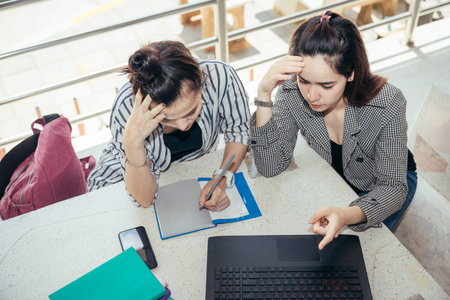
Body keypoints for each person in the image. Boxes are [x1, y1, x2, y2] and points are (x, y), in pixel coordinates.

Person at [248, 11, 417, 250]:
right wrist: (263, 96)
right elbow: (270, 167)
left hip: (385, 182)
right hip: (340, 177)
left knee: (362, 251)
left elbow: (393, 187)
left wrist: (347, 215)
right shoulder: (290, 93)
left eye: (327, 85)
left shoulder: (388, 102)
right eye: (303, 80)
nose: (311, 95)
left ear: (350, 73)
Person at [87, 40, 250, 211]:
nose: (182, 126)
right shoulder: (126, 109)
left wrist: (221, 179)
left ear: (201, 79)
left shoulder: (220, 76)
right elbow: (145, 200)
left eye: (191, 111)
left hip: (187, 173)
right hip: (119, 177)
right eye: (165, 119)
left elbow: (239, 131)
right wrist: (132, 145)